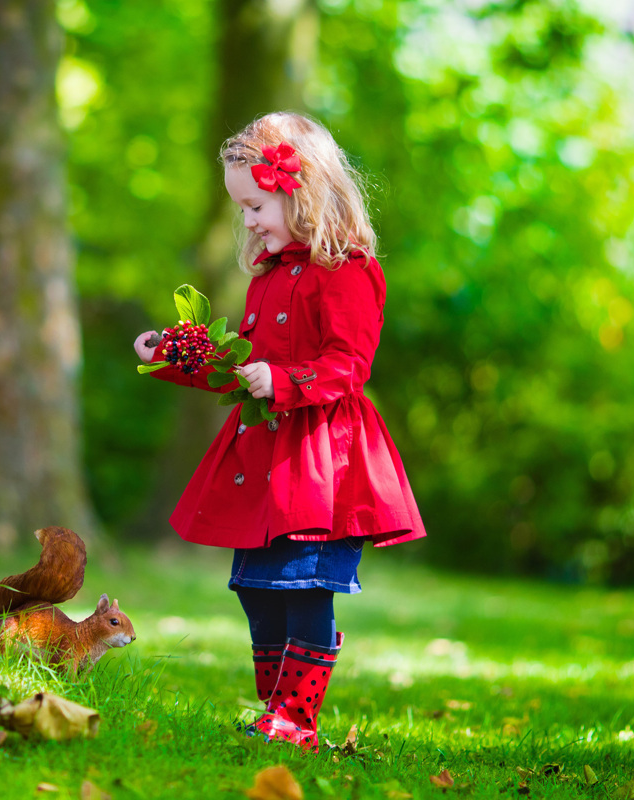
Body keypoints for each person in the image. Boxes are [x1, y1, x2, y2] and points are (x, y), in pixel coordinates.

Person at [133, 112, 427, 751]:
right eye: (241, 209)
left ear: (301, 191)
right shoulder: (267, 276)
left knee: (303, 586)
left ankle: (296, 719)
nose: (248, 221)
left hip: (321, 460)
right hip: (263, 455)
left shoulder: (346, 269)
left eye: (256, 205)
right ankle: (276, 710)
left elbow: (348, 365)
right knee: (258, 589)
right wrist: (178, 355)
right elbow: (241, 370)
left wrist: (286, 381)